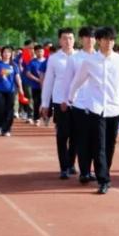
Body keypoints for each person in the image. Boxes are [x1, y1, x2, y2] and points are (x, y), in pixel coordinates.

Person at [67, 26, 119, 195]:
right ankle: (103, 180)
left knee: (110, 145)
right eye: (106, 39)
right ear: (99, 41)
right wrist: (71, 97)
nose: (109, 43)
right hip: (96, 109)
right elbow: (78, 80)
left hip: (114, 108)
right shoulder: (90, 61)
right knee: (99, 145)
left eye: (112, 40)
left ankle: (104, 171)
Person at [59, 27, 97, 182]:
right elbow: (67, 81)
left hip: (97, 104)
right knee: (82, 139)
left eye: (92, 37)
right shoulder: (74, 58)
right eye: (86, 37)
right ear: (81, 39)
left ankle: (92, 169)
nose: (90, 40)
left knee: (95, 140)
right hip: (79, 104)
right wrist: (65, 99)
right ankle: (84, 172)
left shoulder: (100, 58)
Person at [40, 27, 78, 179]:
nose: (68, 41)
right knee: (62, 135)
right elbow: (48, 81)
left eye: (70, 38)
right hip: (59, 101)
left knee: (76, 135)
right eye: (64, 38)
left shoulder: (80, 57)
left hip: (78, 102)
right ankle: (64, 167)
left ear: (74, 40)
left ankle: (71, 163)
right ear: (59, 40)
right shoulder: (54, 59)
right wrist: (45, 103)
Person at [0, 46, 24, 137]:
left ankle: (7, 129)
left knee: (9, 110)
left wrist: (20, 88)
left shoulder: (14, 65)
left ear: (11, 54)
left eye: (8, 52)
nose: (7, 54)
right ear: (2, 53)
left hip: (10, 90)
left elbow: (18, 78)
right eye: (5, 52)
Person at [25, 45, 47, 125]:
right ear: (35, 52)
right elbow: (28, 73)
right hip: (35, 86)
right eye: (38, 51)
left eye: (41, 51)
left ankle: (45, 116)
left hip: (46, 86)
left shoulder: (47, 61)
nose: (40, 53)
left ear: (44, 52)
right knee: (36, 102)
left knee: (45, 102)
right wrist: (37, 80)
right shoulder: (32, 62)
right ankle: (37, 118)